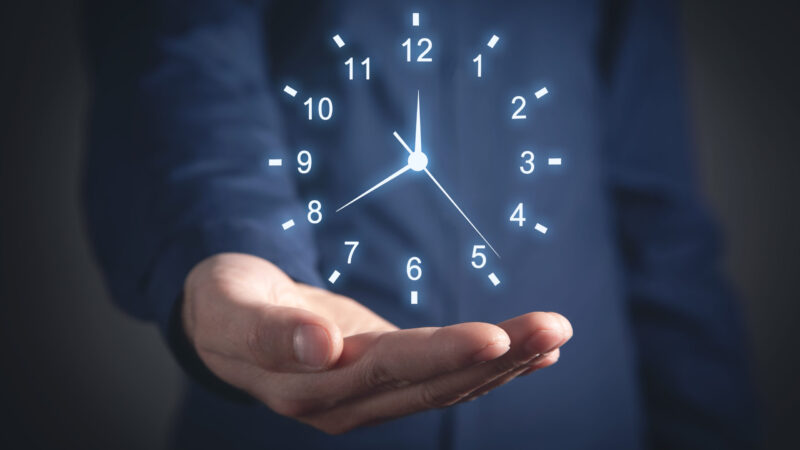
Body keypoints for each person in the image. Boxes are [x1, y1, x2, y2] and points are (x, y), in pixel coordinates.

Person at [84, 0, 756, 448]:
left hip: (587, 416)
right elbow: (182, 55)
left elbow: (656, 215)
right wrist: (226, 244)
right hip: (286, 417)